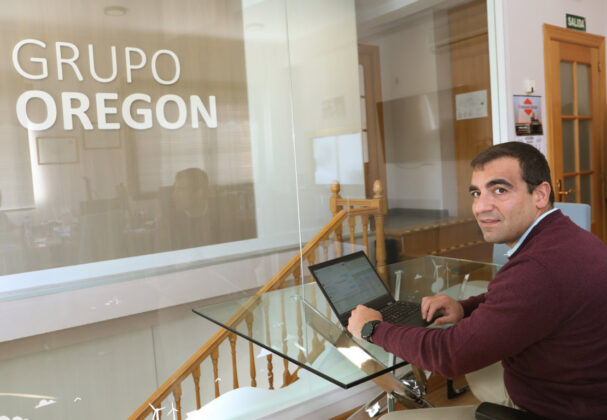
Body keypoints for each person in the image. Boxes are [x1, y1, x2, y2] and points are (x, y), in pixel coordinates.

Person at [348, 141, 607, 419]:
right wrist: (464, 308)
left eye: (500, 190)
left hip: (555, 408)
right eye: (476, 193)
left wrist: (372, 329)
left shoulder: (536, 268)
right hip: (578, 387)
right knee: (478, 369)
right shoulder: (569, 238)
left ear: (540, 194)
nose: (481, 207)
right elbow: (531, 299)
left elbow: (449, 356)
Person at [156, 168, 218, 251]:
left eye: (180, 189)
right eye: (175, 189)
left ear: (199, 193)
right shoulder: (168, 221)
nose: (173, 196)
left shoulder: (219, 215)